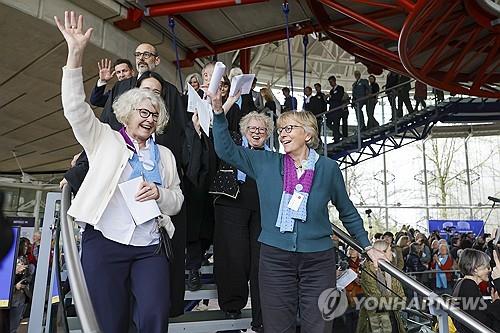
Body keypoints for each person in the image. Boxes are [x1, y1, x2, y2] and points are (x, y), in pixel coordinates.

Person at [210, 86, 384, 332]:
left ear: (308, 134)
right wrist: (218, 112)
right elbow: (225, 149)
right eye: (280, 130)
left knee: (319, 325)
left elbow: (346, 210)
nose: (282, 134)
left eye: (289, 128)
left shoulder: (328, 168)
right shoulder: (265, 163)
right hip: (274, 258)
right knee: (277, 326)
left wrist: (367, 246)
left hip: (318, 259)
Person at [54, 12, 184, 332]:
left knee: (155, 315)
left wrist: (161, 194)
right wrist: (75, 53)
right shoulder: (105, 140)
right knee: (110, 323)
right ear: (127, 113)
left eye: (155, 114)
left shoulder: (164, 155)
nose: (150, 119)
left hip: (149, 246)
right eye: (144, 111)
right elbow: (75, 108)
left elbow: (177, 200)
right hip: (105, 243)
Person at [210, 111, 273, 332]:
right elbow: (218, 139)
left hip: (261, 208)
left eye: (261, 130)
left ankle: (261, 314)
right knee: (233, 255)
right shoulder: (233, 145)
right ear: (244, 131)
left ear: (267, 134)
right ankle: (232, 304)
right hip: (231, 203)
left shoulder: (271, 155)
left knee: (260, 260)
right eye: (252, 129)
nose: (256, 133)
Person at [356, 240, 407, 333]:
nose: (392, 253)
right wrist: (394, 301)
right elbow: (377, 300)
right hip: (375, 321)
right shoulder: (368, 272)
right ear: (381, 253)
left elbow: (402, 298)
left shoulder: (391, 270)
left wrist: (392, 302)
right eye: (389, 250)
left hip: (394, 318)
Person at [452, 249, 500, 333]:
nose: (489, 270)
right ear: (475, 269)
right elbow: (481, 319)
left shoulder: (462, 283)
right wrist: (497, 302)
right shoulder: (468, 286)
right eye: (486, 267)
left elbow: (477, 309)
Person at [327, 75, 345, 142]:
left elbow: (339, 98)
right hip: (332, 110)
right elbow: (332, 101)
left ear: (335, 81)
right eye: (330, 82)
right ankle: (337, 134)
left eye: (331, 82)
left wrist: (331, 96)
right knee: (328, 123)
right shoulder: (331, 91)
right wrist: (327, 100)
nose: (331, 84)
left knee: (336, 124)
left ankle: (336, 138)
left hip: (337, 110)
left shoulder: (340, 88)